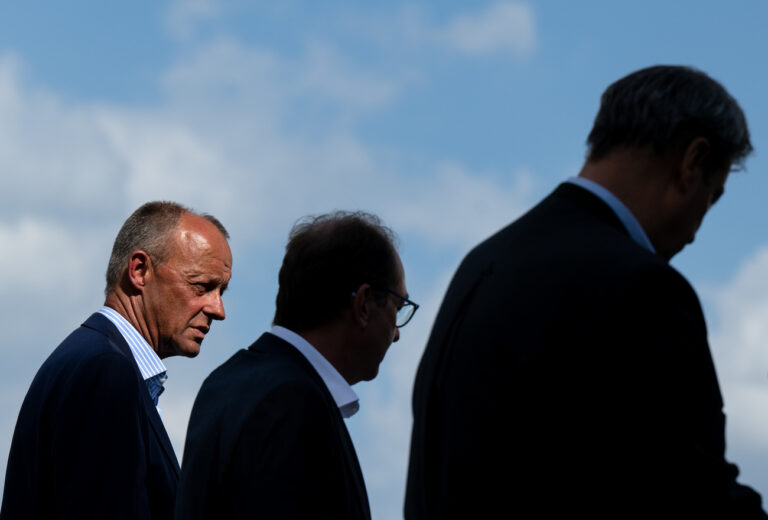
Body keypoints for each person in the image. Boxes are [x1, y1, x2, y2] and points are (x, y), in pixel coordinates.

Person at [405, 65, 767, 519]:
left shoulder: (481, 266)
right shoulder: (642, 288)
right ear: (692, 161)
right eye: (712, 198)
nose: (697, 232)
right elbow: (693, 494)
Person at [175, 211, 417, 520]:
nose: (396, 333)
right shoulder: (293, 403)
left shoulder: (225, 383)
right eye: (398, 307)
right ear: (364, 305)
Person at [1, 201, 232, 519]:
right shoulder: (105, 372)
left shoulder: (94, 360)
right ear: (139, 271)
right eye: (202, 286)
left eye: (222, 291)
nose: (218, 309)